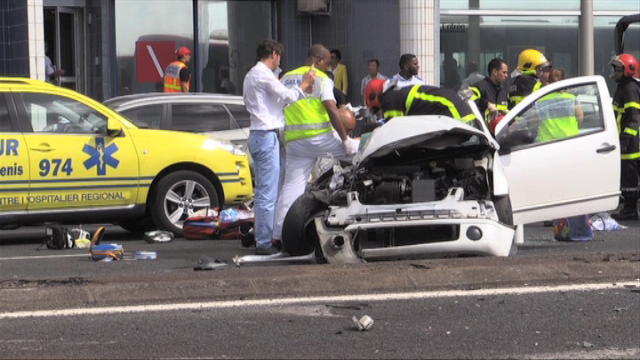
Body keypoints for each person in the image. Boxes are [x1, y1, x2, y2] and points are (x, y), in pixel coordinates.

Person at [272, 44, 359, 247]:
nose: (328, 67)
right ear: (318, 60)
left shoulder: (286, 78)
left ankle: (278, 235)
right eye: (327, 62)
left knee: (291, 189)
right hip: (318, 137)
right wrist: (345, 140)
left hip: (294, 141)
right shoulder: (321, 78)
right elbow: (331, 107)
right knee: (359, 155)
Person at [242, 39, 316, 255]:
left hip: (265, 136)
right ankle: (264, 243)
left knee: (272, 189)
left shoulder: (253, 75)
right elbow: (287, 95)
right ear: (273, 54)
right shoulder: (261, 74)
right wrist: (305, 83)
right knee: (267, 192)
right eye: (279, 57)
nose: (279, 62)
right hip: (265, 136)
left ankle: (270, 236)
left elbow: (278, 99)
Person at [365, 78, 478, 125]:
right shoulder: (397, 93)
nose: (379, 111)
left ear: (375, 95)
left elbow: (393, 128)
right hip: (459, 111)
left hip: (453, 112)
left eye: (376, 109)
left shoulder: (389, 99)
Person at [611, 53, 640, 220]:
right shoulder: (623, 86)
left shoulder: (629, 88)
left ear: (628, 69)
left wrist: (624, 141)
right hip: (628, 141)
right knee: (629, 176)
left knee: (629, 177)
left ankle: (630, 210)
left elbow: (633, 117)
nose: (615, 71)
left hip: (631, 144)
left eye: (618, 68)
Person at [468, 58, 509, 124]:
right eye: (504, 72)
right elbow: (465, 98)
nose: (506, 75)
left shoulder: (503, 92)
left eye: (507, 73)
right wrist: (487, 104)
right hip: (483, 132)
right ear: (495, 72)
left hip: (500, 132)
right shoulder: (479, 87)